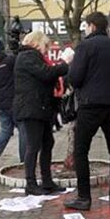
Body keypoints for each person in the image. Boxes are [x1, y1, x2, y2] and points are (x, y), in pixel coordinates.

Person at [64, 12, 110, 211]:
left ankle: (84, 197)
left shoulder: (85, 47)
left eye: (86, 25)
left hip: (89, 105)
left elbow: (74, 78)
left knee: (81, 150)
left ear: (92, 26)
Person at [14, 30, 70, 196]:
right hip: (32, 108)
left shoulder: (33, 57)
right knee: (34, 145)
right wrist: (64, 64)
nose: (46, 49)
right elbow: (46, 74)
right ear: (37, 43)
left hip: (41, 108)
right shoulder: (27, 57)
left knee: (48, 143)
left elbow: (47, 75)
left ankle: (47, 181)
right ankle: (30, 183)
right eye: (45, 45)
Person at [0, 38, 26, 171]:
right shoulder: (10, 60)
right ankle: (25, 161)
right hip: (13, 102)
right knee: (24, 131)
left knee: (6, 130)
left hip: (1, 105)